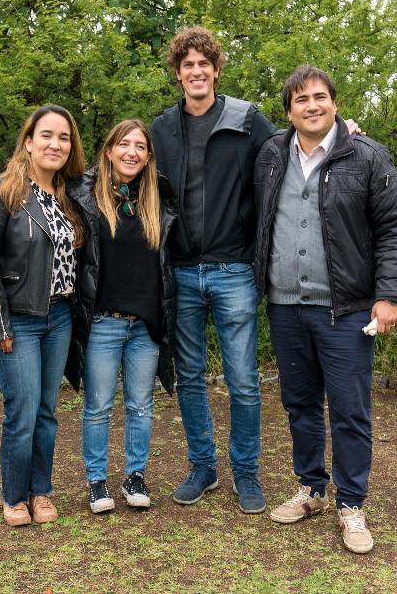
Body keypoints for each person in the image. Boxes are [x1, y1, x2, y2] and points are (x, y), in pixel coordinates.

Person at [253, 66, 397, 553]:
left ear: (335, 104)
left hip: (346, 311)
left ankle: (351, 504)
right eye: (301, 100)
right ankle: (311, 489)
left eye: (320, 97)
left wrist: (389, 296)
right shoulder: (271, 155)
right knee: (299, 405)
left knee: (349, 410)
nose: (312, 106)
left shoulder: (365, 155)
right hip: (285, 307)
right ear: (288, 111)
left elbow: (393, 228)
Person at [150, 26, 276, 513]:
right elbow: (131, 174)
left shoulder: (247, 120)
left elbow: (289, 149)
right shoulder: (162, 128)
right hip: (180, 271)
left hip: (233, 272)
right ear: (178, 74)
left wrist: (340, 129)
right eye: (188, 65)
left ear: (216, 70)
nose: (197, 72)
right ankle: (203, 467)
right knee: (190, 377)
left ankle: (246, 473)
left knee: (244, 380)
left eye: (205, 64)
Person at [0, 104, 87, 527]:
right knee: (22, 411)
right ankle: (13, 496)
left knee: (47, 412)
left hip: (58, 318)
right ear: (29, 141)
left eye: (64, 137)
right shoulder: (2, 191)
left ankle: (42, 492)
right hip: (16, 319)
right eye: (48, 135)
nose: (56, 144)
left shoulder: (69, 196)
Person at [66, 119, 178, 514]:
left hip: (146, 324)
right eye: (124, 144)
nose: (132, 152)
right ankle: (97, 481)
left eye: (140, 146)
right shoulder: (83, 194)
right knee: (97, 405)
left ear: (148, 157)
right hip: (102, 322)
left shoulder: (158, 200)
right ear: (109, 150)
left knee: (140, 405)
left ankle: (135, 476)